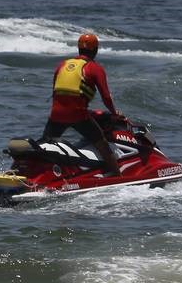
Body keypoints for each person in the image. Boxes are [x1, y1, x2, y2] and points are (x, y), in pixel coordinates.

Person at [44, 33, 123, 177]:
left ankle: (31, 173)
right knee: (103, 145)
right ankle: (118, 176)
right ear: (95, 50)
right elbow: (106, 96)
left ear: (79, 48)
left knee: (44, 146)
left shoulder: (62, 65)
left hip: (56, 115)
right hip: (78, 115)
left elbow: (57, 91)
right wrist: (114, 113)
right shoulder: (94, 68)